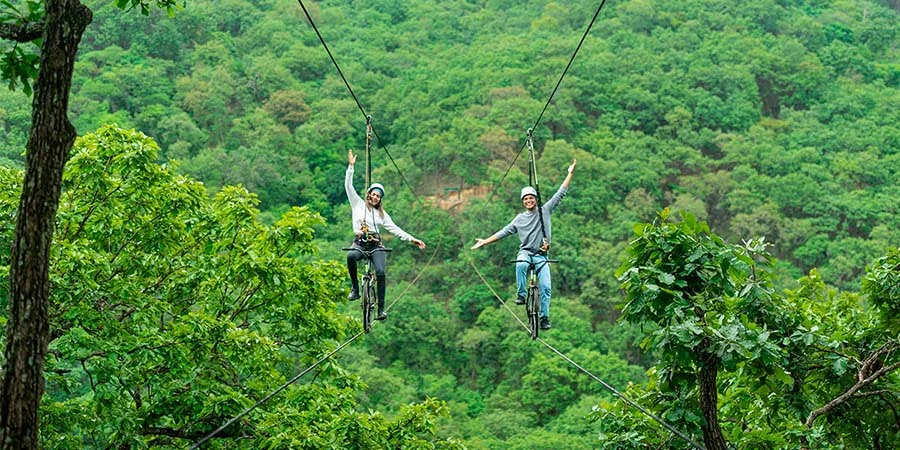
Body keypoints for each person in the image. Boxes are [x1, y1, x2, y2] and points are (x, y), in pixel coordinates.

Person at [471, 159, 576, 330]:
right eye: (525, 199)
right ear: (523, 201)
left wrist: (570, 173)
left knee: (546, 288)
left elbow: (561, 193)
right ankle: (521, 294)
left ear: (535, 199)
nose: (529, 201)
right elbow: (503, 232)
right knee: (521, 264)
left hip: (541, 255)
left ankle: (544, 318)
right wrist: (484, 242)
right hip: (526, 252)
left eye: (531, 198)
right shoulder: (519, 219)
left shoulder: (545, 211)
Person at [345, 149, 426, 320]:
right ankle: (355, 289)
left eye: (378, 196)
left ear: (380, 200)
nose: (375, 198)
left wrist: (413, 240)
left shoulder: (382, 215)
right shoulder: (357, 204)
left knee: (380, 272)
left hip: (375, 245)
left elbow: (395, 229)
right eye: (373, 194)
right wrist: (351, 167)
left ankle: (380, 309)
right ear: (369, 195)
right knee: (351, 256)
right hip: (360, 242)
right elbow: (348, 186)